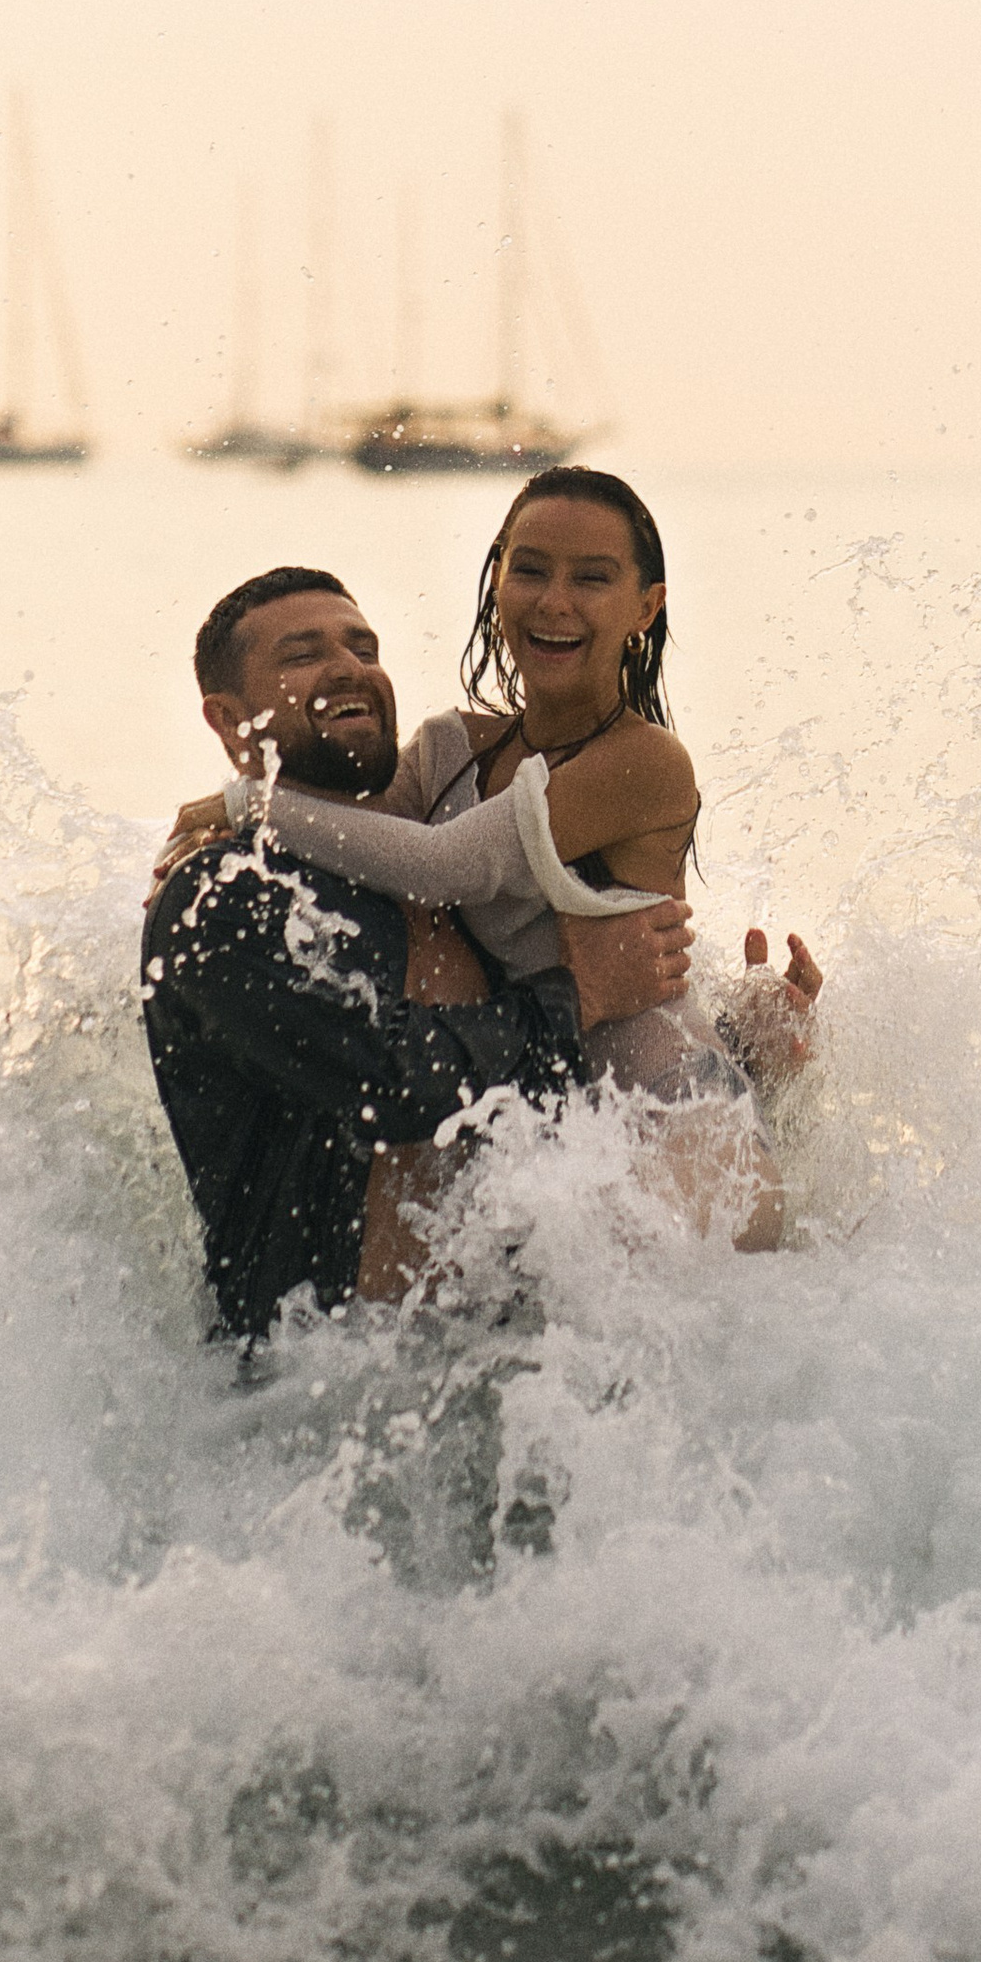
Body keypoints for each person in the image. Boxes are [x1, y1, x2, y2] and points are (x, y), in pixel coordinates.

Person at [163, 471, 821, 1249]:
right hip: (565, 1134)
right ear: (497, 580)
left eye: (593, 578)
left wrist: (245, 805)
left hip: (685, 1128)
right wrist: (214, 858)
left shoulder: (644, 763)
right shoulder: (448, 749)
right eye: (531, 569)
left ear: (645, 608)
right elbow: (355, 845)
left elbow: (441, 866)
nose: (554, 600)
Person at [140, 562, 697, 1342]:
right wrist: (581, 997)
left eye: (364, 648)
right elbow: (385, 1079)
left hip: (517, 1363)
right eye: (302, 655)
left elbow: (574, 1068)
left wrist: (742, 1046)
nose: (347, 667)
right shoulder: (224, 895)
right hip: (319, 1388)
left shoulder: (432, 871)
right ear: (231, 722)